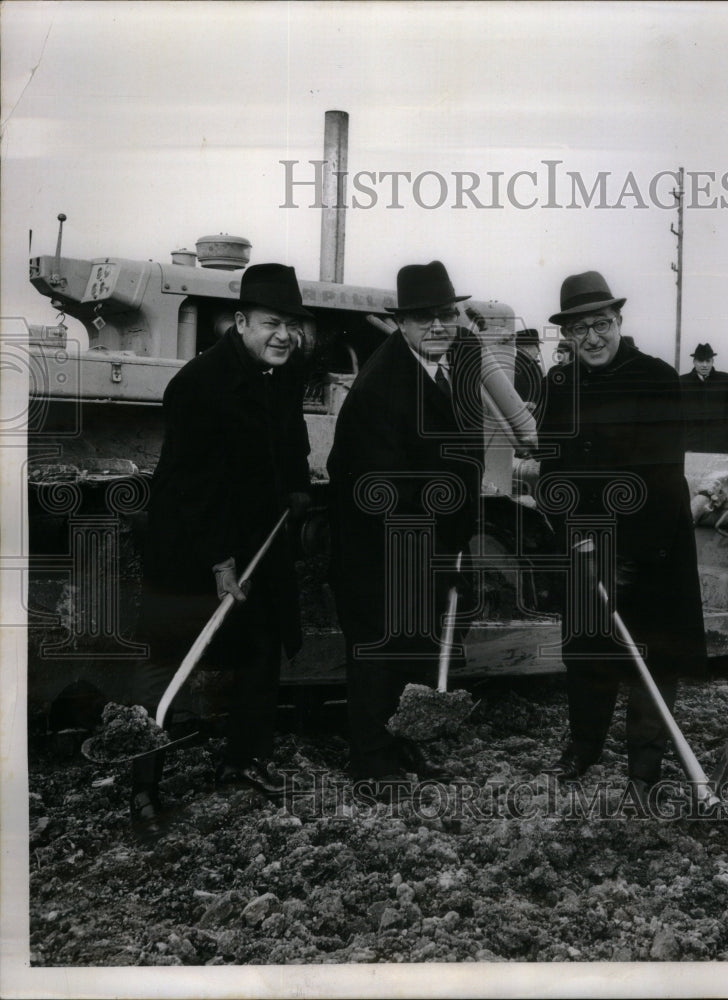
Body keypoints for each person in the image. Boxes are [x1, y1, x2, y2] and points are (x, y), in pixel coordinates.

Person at [130, 263, 313, 830]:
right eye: (270, 323)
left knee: (260, 651)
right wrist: (220, 561)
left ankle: (247, 757)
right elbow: (191, 485)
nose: (283, 335)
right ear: (240, 322)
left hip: (259, 538)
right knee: (170, 659)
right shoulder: (197, 384)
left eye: (291, 324)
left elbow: (292, 443)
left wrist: (299, 488)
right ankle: (143, 785)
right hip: (189, 546)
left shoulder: (283, 374)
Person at [537, 271, 707, 804]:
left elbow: (661, 473)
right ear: (566, 334)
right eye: (580, 328)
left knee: (648, 654)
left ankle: (645, 765)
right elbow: (551, 470)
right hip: (586, 545)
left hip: (652, 543)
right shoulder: (558, 385)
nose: (592, 338)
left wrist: (630, 558)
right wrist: (572, 532)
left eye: (601, 324)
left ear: (619, 322)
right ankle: (583, 746)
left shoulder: (654, 377)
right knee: (587, 652)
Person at [326, 261, 484, 792]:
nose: (437, 326)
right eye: (422, 319)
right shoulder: (380, 386)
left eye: (446, 314)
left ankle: (405, 742)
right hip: (382, 548)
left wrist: (458, 540)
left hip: (433, 541)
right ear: (401, 323)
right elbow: (379, 487)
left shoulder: (453, 367)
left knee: (416, 645)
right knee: (380, 651)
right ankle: (373, 763)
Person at [678, 343, 728, 452]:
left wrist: (726, 434)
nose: (704, 365)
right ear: (694, 362)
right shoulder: (682, 381)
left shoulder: (725, 379)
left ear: (713, 361)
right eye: (700, 361)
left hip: (719, 444)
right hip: (691, 444)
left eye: (708, 361)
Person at [513, 327, 545, 420]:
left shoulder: (531, 365)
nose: (539, 351)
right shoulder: (518, 366)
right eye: (537, 346)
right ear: (525, 346)